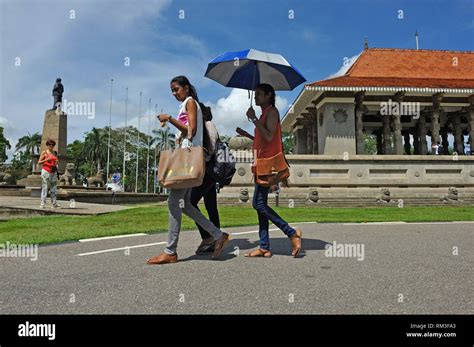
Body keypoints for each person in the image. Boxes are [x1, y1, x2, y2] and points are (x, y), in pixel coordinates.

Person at [147, 76, 230, 265]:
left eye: (176, 89)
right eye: (172, 91)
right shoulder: (185, 104)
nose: (174, 93)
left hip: (187, 159)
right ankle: (217, 235)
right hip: (186, 157)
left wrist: (169, 119)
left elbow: (190, 131)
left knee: (173, 202)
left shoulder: (190, 102)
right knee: (184, 204)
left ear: (186, 88)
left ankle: (170, 251)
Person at [236, 83, 302, 258]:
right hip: (260, 164)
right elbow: (263, 139)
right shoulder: (265, 113)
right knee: (260, 205)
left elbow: (269, 136)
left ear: (268, 96)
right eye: (255, 94)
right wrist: (248, 135)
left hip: (267, 165)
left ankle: (291, 232)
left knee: (258, 204)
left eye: (259, 94)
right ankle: (264, 246)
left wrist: (254, 119)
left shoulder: (272, 112)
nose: (256, 97)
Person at [190, 105, 221, 255]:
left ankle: (209, 236)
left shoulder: (208, 126)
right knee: (211, 206)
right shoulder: (203, 128)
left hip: (207, 171)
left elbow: (211, 149)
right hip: (207, 172)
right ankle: (216, 238)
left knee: (189, 202)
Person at [37, 139, 60, 208]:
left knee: (53, 188)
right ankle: (42, 204)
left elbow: (56, 161)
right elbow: (39, 162)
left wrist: (56, 162)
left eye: (53, 144)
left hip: (53, 171)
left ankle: (54, 203)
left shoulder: (55, 153)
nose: (51, 146)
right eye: (49, 144)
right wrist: (47, 159)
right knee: (45, 187)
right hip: (46, 171)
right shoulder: (44, 152)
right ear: (47, 145)